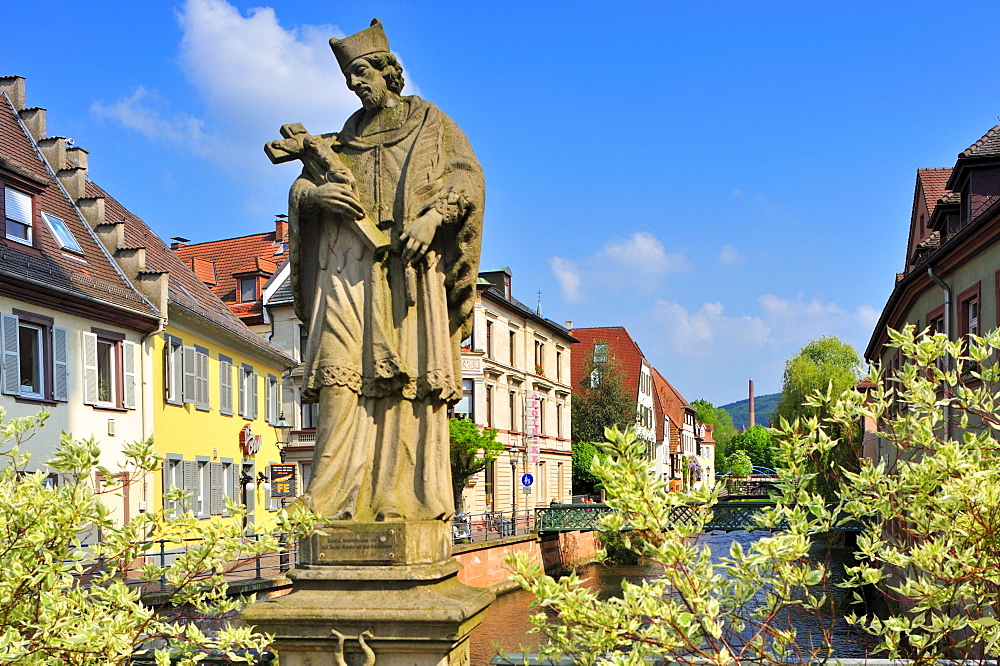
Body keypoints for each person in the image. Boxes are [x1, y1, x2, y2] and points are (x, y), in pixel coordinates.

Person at [287, 18, 484, 522]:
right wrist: (314, 196)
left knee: (407, 381)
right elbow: (300, 190)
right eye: (349, 78)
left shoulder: (430, 122)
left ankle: (401, 498)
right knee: (339, 373)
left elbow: (468, 177)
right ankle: (329, 499)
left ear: (388, 70)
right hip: (346, 264)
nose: (355, 85)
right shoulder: (340, 141)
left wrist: (433, 217)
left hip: (411, 270)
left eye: (361, 73)